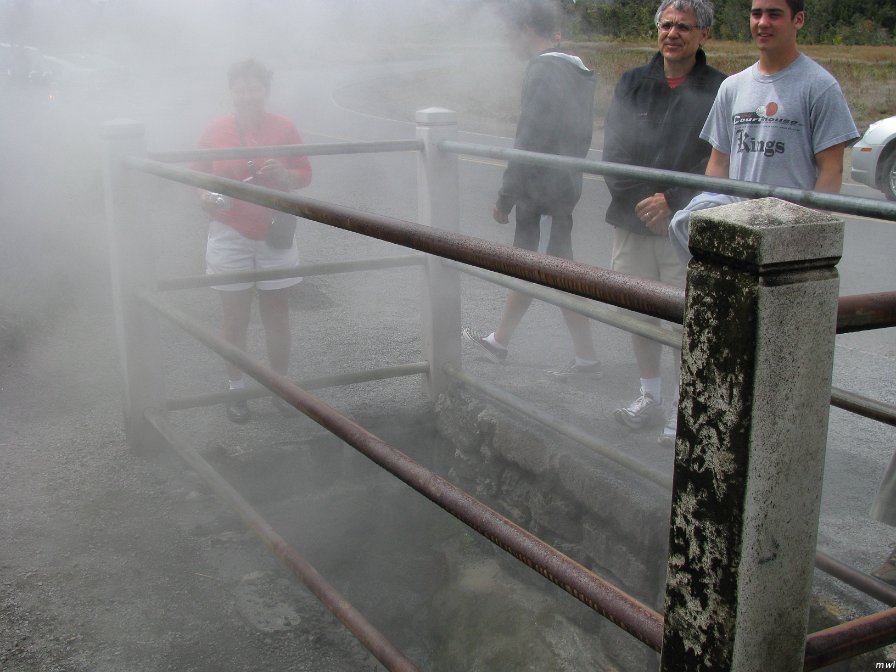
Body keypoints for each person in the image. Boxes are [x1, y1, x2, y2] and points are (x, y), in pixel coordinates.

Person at [603, 0, 726, 446]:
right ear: (658, 30)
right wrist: (645, 203)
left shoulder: (719, 89)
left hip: (686, 228)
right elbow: (613, 153)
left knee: (683, 321)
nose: (673, 34)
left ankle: (682, 407)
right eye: (667, 25)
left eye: (684, 27)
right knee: (638, 313)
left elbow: (714, 162)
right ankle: (648, 394)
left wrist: (672, 203)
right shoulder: (633, 82)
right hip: (633, 222)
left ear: (703, 35)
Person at [463, 0, 600, 378]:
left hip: (537, 185)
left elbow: (529, 135)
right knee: (537, 263)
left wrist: (506, 193)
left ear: (525, 31)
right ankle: (500, 340)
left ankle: (587, 358)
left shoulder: (541, 69)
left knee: (558, 270)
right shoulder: (577, 70)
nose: (510, 42)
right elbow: (580, 132)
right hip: (562, 182)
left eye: (511, 34)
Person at [668, 0, 859, 262]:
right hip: (736, 231)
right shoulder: (732, 87)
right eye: (756, 14)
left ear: (798, 20)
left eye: (774, 14)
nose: (763, 22)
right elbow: (719, 162)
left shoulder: (820, 87)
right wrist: (715, 217)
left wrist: (810, 235)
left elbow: (831, 169)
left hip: (789, 235)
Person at [195, 58, 312, 423]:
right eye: (241, 88)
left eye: (254, 87)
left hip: (273, 229)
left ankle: (281, 386)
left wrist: (285, 174)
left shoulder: (285, 127)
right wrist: (203, 195)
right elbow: (197, 173)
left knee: (277, 313)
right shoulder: (215, 130)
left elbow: (305, 174)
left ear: (266, 90)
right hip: (229, 231)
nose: (247, 95)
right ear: (231, 92)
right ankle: (236, 389)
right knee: (235, 316)